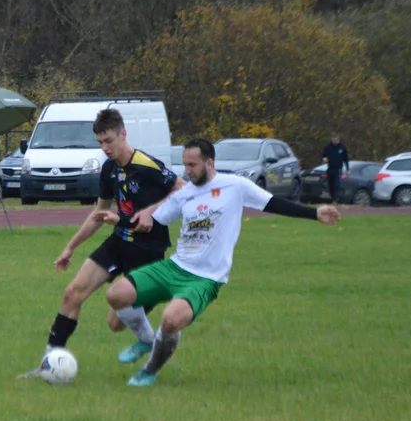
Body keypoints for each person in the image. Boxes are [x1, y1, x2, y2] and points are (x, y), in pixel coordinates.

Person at [105, 138, 341, 388]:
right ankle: (145, 340)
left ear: (209, 162)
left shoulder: (235, 186)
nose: (188, 171)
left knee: (171, 320)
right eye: (185, 165)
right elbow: (152, 222)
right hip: (175, 266)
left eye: (193, 165)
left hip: (205, 278)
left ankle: (150, 370)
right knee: (116, 294)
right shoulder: (184, 194)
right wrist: (120, 220)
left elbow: (273, 203)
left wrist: (314, 213)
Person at [24, 109, 186, 376]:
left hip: (148, 253)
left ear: (123, 134)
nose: (105, 147)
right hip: (119, 244)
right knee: (72, 293)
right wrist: (70, 247)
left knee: (114, 323)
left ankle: (150, 337)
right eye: (100, 142)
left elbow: (183, 189)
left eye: (109, 140)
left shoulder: (147, 165)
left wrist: (150, 212)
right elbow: (99, 215)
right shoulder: (109, 169)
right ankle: (47, 364)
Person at [321, 133, 350, 203]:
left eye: (336, 139)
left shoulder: (342, 148)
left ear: (338, 139)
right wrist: (324, 159)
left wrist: (347, 169)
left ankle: (335, 199)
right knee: (331, 185)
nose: (334, 140)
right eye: (333, 139)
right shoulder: (327, 147)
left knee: (336, 184)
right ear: (331, 139)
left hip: (338, 169)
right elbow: (323, 156)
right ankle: (332, 197)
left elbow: (346, 159)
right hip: (330, 168)